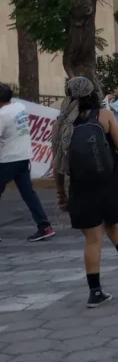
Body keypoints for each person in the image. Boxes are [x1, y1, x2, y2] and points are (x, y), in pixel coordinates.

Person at [51, 77, 118, 307]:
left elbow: (58, 165)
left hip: (82, 185)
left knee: (93, 239)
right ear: (93, 94)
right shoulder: (104, 115)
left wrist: (61, 194)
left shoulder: (61, 124)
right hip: (111, 180)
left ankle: (95, 292)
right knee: (113, 223)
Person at [0, 83, 55, 243]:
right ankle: (45, 226)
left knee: (28, 193)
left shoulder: (2, 115)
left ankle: (44, 226)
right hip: (24, 157)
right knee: (29, 194)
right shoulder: (20, 107)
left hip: (7, 160)